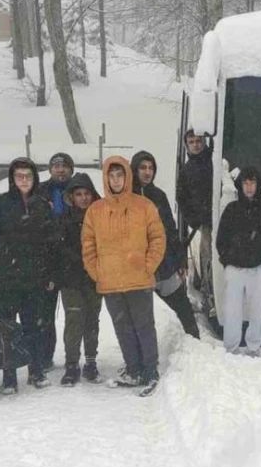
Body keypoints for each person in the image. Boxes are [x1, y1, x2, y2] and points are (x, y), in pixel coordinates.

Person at [82, 156, 166, 397]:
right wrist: (97, 272)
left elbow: (158, 239)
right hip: (110, 282)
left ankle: (150, 372)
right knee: (123, 329)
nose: (116, 180)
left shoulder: (144, 206)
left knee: (144, 327)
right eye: (112, 175)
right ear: (106, 178)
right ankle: (134, 369)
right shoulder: (95, 211)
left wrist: (148, 266)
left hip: (138, 279)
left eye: (120, 175)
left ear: (127, 177)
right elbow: (88, 246)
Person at [0, 157, 55, 394]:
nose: (24, 180)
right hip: (5, 279)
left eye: (28, 176)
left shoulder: (43, 206)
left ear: (35, 179)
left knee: (33, 327)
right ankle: (9, 376)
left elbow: (49, 244)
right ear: (12, 179)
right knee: (6, 329)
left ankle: (35, 371)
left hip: (34, 279)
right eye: (19, 176)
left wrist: (48, 274)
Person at [216, 166, 261, 356]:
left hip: (258, 270)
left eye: (252, 183)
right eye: (245, 183)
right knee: (232, 311)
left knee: (257, 311)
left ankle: (254, 347)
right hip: (235, 269)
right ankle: (231, 347)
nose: (248, 187)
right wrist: (228, 262)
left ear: (258, 185)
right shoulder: (231, 210)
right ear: (240, 185)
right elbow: (221, 240)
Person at [131, 150, 200, 339]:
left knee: (182, 307)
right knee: (144, 317)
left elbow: (170, 229)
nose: (147, 172)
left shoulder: (159, 195)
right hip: (138, 268)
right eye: (142, 168)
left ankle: (196, 347)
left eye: (150, 168)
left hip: (164, 264)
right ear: (134, 170)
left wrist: (180, 261)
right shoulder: (127, 197)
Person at [57, 173, 103, 385]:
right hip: (70, 279)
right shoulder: (64, 219)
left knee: (92, 319)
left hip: (94, 278)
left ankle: (91, 361)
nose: (83, 198)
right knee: (74, 320)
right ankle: (71, 364)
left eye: (87, 194)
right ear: (71, 197)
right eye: (79, 194)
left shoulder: (101, 218)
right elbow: (57, 249)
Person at [35, 152, 74, 372]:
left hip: (71, 262)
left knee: (75, 314)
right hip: (47, 262)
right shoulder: (39, 192)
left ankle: (74, 358)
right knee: (45, 315)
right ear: (50, 169)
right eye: (56, 166)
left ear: (71, 169)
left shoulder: (80, 189)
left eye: (65, 166)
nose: (60, 170)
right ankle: (44, 357)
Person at [176, 130, 214, 317]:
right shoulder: (186, 170)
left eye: (198, 141)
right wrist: (195, 222)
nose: (196, 145)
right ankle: (208, 298)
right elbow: (181, 199)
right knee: (207, 261)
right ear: (186, 145)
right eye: (191, 142)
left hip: (222, 220)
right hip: (204, 225)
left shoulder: (214, 161)